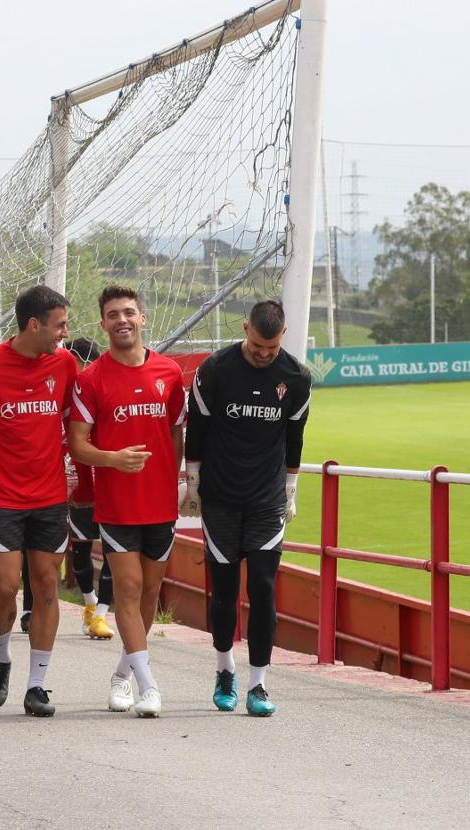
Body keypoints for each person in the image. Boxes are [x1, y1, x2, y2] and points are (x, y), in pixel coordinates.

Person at [181, 299, 311, 717]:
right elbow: (196, 431)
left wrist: (291, 487)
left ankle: (258, 684)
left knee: (264, 586)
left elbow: (295, 436)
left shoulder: (296, 377)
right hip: (219, 498)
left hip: (266, 500)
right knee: (224, 592)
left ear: (283, 337)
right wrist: (193, 483)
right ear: (245, 329)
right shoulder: (214, 371)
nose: (263, 354)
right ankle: (224, 671)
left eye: (270, 349)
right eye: (257, 345)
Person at [0, 285, 77, 717]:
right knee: (5, 586)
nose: (65, 333)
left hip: (49, 498)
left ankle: (38, 686)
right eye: (60, 325)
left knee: (45, 587)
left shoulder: (64, 364)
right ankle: (2, 656)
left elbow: (73, 428)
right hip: (3, 499)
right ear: (34, 325)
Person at [69, 285, 186, 718]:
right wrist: (113, 459)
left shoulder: (169, 373)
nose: (122, 320)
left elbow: (176, 431)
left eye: (129, 312)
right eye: (113, 314)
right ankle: (149, 686)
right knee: (129, 591)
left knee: (151, 593)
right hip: (117, 505)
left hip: (161, 504)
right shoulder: (91, 379)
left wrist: (179, 481)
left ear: (143, 318)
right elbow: (77, 445)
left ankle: (122, 673)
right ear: (103, 323)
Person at [66, 337, 115, 640]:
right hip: (78, 484)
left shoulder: (103, 388)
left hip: (110, 481)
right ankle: (89, 602)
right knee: (81, 549)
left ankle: (101, 614)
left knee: (112, 550)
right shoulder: (68, 394)